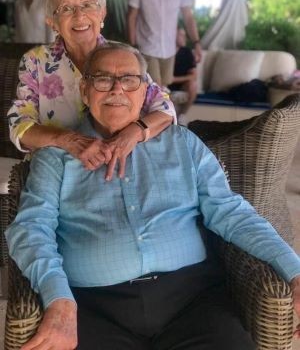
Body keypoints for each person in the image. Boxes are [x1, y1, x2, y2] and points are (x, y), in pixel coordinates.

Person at [6, 42, 300, 350]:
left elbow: (232, 213)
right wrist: (59, 299)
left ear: (145, 90)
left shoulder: (183, 143)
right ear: (84, 89)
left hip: (193, 303)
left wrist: (293, 270)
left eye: (129, 80)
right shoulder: (55, 158)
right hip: (94, 308)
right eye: (103, 79)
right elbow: (30, 229)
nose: (116, 90)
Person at [8, 0, 175, 180]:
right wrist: (68, 140)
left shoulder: (124, 55)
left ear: (102, 13)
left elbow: (166, 109)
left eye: (87, 5)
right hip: (56, 173)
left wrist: (132, 133)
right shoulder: (35, 61)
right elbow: (19, 126)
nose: (79, 16)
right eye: (66, 8)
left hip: (119, 168)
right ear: (52, 22)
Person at [127, 0, 202, 88]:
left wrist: (196, 42)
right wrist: (133, 45)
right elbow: (132, 15)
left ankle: (163, 110)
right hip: (147, 46)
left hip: (169, 49)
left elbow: (188, 17)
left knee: (165, 89)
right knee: (155, 88)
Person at [168, 27, 198, 122]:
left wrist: (174, 79)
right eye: (181, 35)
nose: (184, 37)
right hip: (163, 83)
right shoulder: (164, 51)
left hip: (181, 85)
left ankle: (182, 115)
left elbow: (194, 76)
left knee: (193, 85)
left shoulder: (187, 52)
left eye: (185, 35)